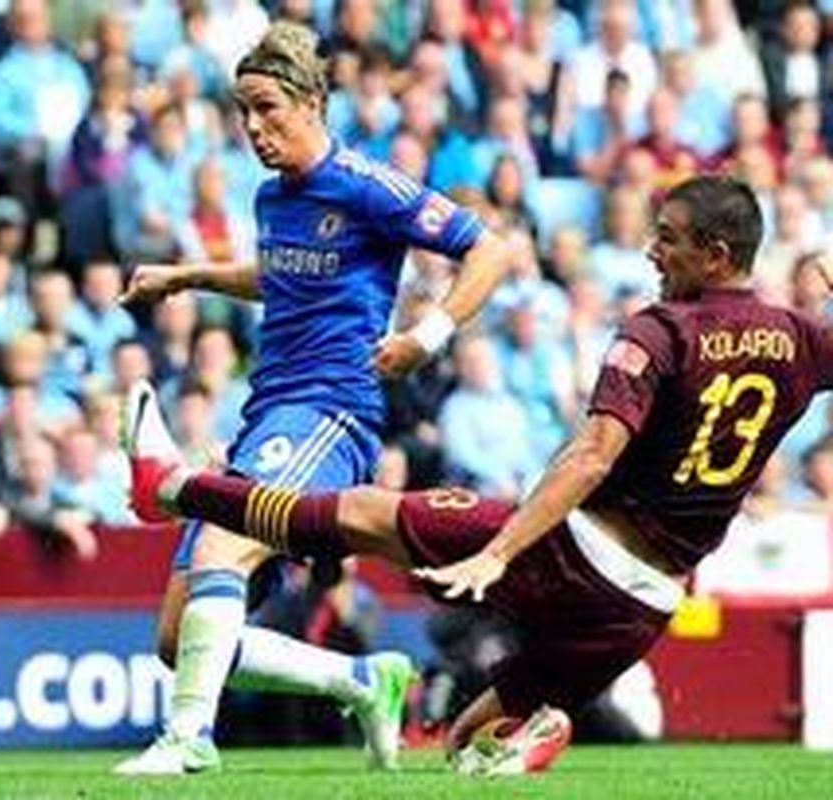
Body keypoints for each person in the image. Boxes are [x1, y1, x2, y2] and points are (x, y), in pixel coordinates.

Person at [122, 175, 833, 776]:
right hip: (640, 610)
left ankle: (173, 485)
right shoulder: (804, 339)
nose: (651, 249)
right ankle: (536, 727)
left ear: (715, 256)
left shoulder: (661, 330)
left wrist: (500, 550)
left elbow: (591, 456)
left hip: (572, 553)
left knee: (363, 513)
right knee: (462, 746)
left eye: (669, 239)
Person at [115, 21, 509, 775]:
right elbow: (282, 277)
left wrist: (426, 336)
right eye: (243, 114)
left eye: (268, 109)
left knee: (225, 547)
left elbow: (488, 249)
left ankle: (188, 740)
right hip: (269, 412)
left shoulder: (366, 184)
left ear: (313, 102)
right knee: (179, 638)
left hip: (332, 411)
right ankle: (363, 680)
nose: (255, 129)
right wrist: (187, 275)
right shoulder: (274, 199)